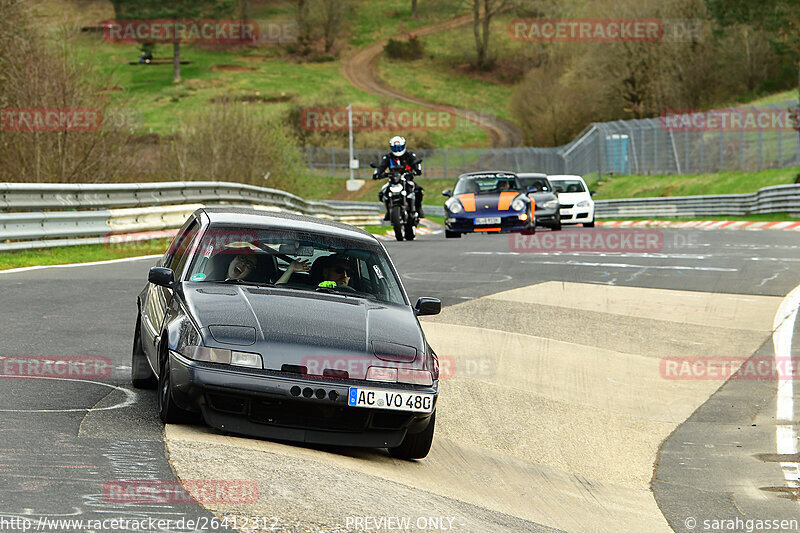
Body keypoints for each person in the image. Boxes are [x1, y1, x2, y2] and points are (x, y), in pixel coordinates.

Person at [373, 136, 424, 220]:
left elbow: (416, 163)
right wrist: (377, 174)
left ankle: (418, 208)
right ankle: (389, 211)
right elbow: (381, 166)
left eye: (399, 148)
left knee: (418, 190)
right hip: (393, 180)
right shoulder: (388, 157)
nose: (397, 150)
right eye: (395, 148)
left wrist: (417, 170)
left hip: (406, 179)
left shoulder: (409, 155)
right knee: (383, 192)